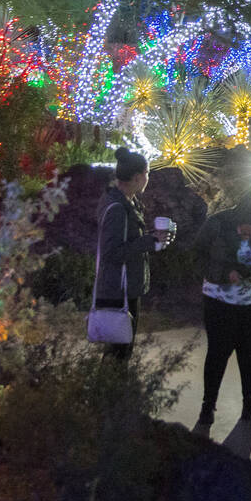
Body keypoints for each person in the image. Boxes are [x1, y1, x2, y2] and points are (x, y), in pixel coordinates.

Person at [192, 168, 251, 431]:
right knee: (218, 352)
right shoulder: (217, 223)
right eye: (247, 229)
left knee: (248, 351)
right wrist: (224, 273)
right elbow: (197, 255)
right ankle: (208, 405)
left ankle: (248, 403)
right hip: (219, 298)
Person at [93, 147, 170, 361]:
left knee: (119, 350)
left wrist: (150, 240)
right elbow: (112, 252)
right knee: (119, 353)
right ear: (137, 177)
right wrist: (148, 241)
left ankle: (113, 391)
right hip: (119, 290)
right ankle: (112, 393)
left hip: (125, 287)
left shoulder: (128, 202)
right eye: (147, 173)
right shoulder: (118, 207)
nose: (148, 178)